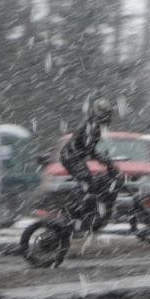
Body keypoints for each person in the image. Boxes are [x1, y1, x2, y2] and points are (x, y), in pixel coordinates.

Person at [59, 98, 119, 228]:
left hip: (74, 156)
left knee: (92, 183)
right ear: (99, 113)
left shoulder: (94, 125)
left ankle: (84, 215)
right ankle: (75, 215)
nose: (108, 117)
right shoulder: (93, 126)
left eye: (108, 113)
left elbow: (89, 149)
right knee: (89, 183)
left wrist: (104, 160)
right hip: (71, 157)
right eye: (106, 113)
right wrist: (105, 161)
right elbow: (89, 149)